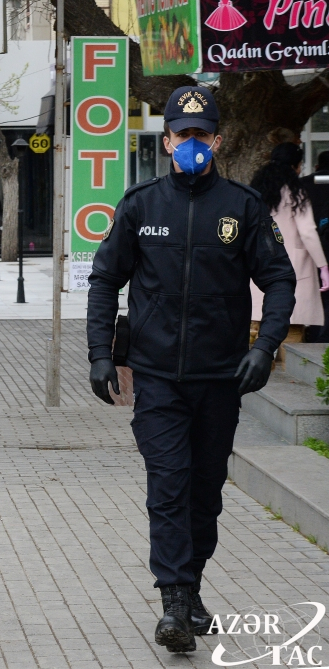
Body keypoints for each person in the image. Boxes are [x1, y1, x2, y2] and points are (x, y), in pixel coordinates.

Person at [86, 86, 295, 654]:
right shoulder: (141, 205)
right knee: (170, 487)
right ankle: (174, 603)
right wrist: (100, 353)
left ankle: (192, 584)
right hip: (155, 377)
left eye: (202, 135)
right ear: (168, 139)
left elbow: (279, 279)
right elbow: (105, 279)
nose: (192, 144)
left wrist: (265, 344)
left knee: (205, 494)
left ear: (217, 140)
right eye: (183, 134)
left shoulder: (243, 208)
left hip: (221, 377)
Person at [249, 143, 329, 349]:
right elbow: (308, 232)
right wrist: (323, 266)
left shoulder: (256, 190)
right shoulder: (296, 192)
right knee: (291, 339)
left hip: (259, 267)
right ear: (295, 166)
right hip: (293, 269)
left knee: (256, 331)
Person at [301, 150, 329, 342]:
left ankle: (314, 333)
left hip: (310, 245)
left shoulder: (303, 183)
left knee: (315, 290)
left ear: (317, 166)